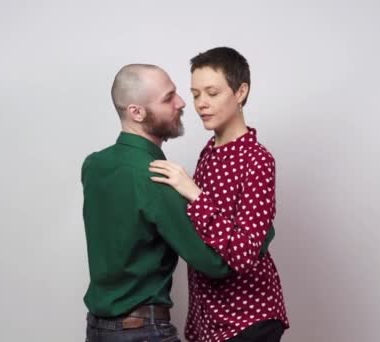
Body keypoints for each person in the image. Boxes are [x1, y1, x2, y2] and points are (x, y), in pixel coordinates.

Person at [81, 63, 233, 342]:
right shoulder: (156, 177)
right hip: (141, 332)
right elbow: (215, 265)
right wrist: (261, 229)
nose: (182, 102)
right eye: (168, 98)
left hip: (96, 331)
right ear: (135, 112)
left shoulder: (93, 166)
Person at [149, 47, 289, 341]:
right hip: (209, 322)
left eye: (212, 92)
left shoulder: (258, 160)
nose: (201, 104)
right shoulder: (209, 154)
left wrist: (194, 194)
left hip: (249, 319)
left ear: (240, 92)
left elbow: (244, 254)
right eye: (196, 94)